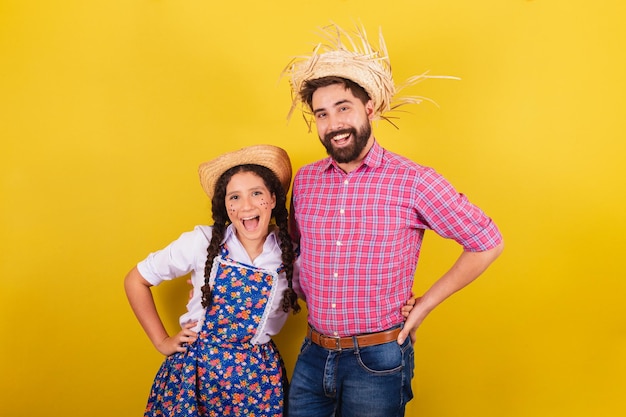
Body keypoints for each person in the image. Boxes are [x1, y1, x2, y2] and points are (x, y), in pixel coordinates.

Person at [282, 24, 504, 417]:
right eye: (322, 113)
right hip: (313, 355)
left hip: (378, 360)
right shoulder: (306, 180)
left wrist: (423, 306)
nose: (333, 124)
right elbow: (296, 248)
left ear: (369, 108)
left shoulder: (414, 180)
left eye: (343, 108)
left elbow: (487, 240)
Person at [124, 145, 301, 417]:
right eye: (235, 197)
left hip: (257, 382)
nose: (246, 206)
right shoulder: (202, 243)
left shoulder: (289, 256)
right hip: (195, 377)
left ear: (274, 199)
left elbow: (328, 295)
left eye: (256, 193)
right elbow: (136, 280)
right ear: (226, 205)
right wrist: (161, 341)